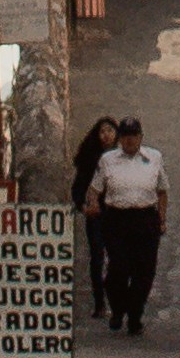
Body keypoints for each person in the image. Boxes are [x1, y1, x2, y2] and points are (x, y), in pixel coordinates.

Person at [87, 112, 169, 332]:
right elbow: (94, 190)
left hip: (145, 218)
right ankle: (118, 308)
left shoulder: (154, 158)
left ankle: (135, 315)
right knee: (118, 270)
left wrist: (161, 219)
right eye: (125, 136)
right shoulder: (108, 160)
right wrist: (93, 205)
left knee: (145, 271)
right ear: (120, 138)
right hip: (117, 219)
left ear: (140, 137)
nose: (129, 140)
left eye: (133, 136)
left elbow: (162, 191)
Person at [71, 110, 124, 313]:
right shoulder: (89, 159)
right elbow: (79, 187)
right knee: (97, 257)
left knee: (117, 258)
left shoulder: (123, 158)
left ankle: (114, 297)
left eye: (110, 130)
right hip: (97, 215)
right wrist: (83, 207)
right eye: (102, 131)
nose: (106, 135)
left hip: (117, 213)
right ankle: (99, 302)